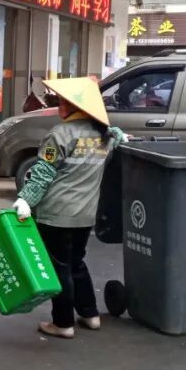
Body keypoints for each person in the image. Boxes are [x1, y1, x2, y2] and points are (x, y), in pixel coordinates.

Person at [12, 77, 128, 339]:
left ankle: (63, 323)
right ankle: (90, 314)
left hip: (56, 215)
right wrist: (119, 134)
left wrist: (25, 200)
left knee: (60, 268)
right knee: (76, 263)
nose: (59, 106)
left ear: (78, 108)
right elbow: (119, 138)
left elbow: (42, 173)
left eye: (64, 102)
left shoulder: (61, 134)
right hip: (85, 215)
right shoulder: (104, 135)